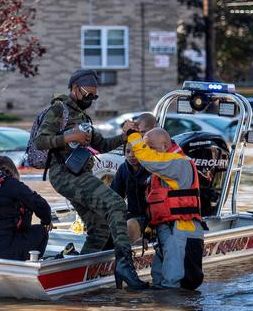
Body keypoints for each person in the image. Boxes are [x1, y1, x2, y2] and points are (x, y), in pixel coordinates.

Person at [34, 69, 149, 291]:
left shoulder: (82, 116)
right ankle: (125, 266)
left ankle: (82, 276)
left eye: (95, 97)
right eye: (88, 95)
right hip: (64, 174)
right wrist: (69, 137)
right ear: (75, 89)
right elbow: (41, 141)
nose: (91, 100)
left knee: (100, 227)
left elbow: (103, 145)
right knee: (115, 203)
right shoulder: (59, 109)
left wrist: (125, 135)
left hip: (79, 174)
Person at [127, 127, 205, 290]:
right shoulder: (163, 170)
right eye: (147, 148)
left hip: (181, 231)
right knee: (159, 280)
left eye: (152, 148)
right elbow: (158, 206)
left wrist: (133, 136)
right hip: (166, 232)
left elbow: (148, 159)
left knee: (173, 284)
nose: (149, 151)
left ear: (164, 145)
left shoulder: (178, 162)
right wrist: (148, 231)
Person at [110, 112, 157, 244]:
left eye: (134, 152)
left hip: (154, 217)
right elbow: (114, 194)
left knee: (131, 224)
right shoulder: (124, 169)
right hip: (133, 214)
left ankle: (133, 260)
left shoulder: (155, 164)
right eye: (127, 152)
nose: (131, 155)